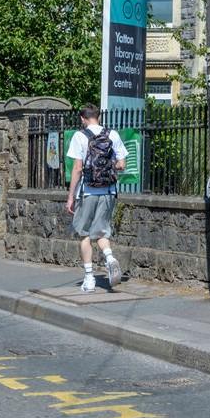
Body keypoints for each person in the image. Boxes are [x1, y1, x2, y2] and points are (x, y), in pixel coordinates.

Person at [64, 106, 127, 292]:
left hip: (87, 191)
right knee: (101, 232)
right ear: (98, 117)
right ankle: (109, 258)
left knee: (84, 234)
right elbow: (122, 165)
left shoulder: (80, 136)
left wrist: (70, 197)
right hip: (108, 191)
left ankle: (89, 278)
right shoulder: (112, 134)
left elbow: (77, 168)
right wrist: (109, 165)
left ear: (83, 118)